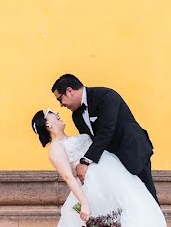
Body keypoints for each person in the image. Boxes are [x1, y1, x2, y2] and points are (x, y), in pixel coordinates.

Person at [31, 109, 171, 227]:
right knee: (114, 226)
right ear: (48, 124)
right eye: (52, 113)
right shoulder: (55, 149)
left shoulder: (72, 137)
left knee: (141, 213)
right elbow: (69, 178)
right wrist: (84, 202)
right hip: (97, 188)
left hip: (116, 178)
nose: (57, 113)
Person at [51, 74, 159, 204]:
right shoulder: (76, 116)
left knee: (147, 195)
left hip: (133, 151)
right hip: (111, 162)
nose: (61, 105)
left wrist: (85, 162)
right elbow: (89, 140)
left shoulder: (106, 96)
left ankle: (155, 223)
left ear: (69, 91)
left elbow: (106, 131)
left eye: (60, 99)